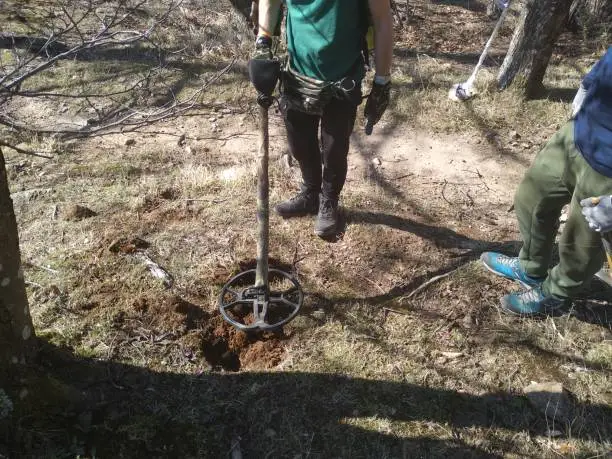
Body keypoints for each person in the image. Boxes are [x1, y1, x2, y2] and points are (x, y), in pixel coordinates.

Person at [480, 46, 612, 316]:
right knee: (531, 199)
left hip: (607, 171)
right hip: (576, 136)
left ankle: (556, 295)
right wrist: (581, 98)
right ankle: (530, 267)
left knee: (581, 244)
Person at [249, 0, 393, 237]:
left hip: (343, 76)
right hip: (297, 71)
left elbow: (382, 19)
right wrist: (263, 40)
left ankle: (329, 201)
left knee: (335, 147)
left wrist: (382, 80)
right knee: (299, 142)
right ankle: (310, 193)